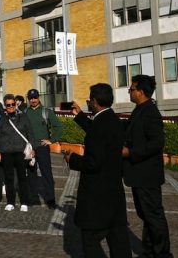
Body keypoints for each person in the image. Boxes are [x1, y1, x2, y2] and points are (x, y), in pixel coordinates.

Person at [67, 84, 132, 258]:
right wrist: (80, 116)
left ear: (94, 102)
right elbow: (100, 136)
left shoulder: (99, 124)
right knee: (118, 239)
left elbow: (92, 162)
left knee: (90, 240)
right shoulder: (114, 120)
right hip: (114, 191)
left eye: (90, 100)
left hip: (96, 194)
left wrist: (72, 159)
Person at [124, 74, 172, 258]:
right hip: (139, 174)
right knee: (146, 215)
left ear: (141, 92)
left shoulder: (150, 112)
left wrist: (131, 152)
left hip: (147, 174)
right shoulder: (139, 110)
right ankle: (150, 250)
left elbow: (156, 143)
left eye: (132, 89)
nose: (130, 91)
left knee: (153, 215)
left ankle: (162, 253)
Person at [24, 88, 62, 209]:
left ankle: (50, 200)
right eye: (31, 98)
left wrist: (51, 140)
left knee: (47, 174)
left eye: (35, 97)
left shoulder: (46, 111)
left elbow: (58, 127)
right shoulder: (25, 112)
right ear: (28, 99)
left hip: (42, 147)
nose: (33, 100)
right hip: (29, 148)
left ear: (38, 98)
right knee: (31, 174)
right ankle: (34, 199)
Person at [0, 94, 34, 212]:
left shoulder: (23, 117)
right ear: (5, 106)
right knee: (8, 178)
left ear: (16, 104)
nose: (11, 106)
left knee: (22, 178)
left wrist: (32, 149)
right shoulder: (2, 118)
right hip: (6, 152)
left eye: (13, 104)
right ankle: (10, 201)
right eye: (8, 105)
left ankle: (24, 202)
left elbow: (30, 133)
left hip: (21, 152)